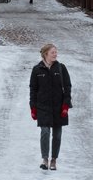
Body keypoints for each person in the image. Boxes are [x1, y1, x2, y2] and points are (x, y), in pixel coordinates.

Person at [29, 43, 72, 171]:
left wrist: (66, 105)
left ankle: (54, 159)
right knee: (45, 132)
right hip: (43, 107)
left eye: (56, 52)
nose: (55, 54)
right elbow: (33, 89)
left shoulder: (61, 68)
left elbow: (68, 87)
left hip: (59, 107)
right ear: (46, 54)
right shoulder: (37, 70)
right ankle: (44, 159)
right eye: (53, 52)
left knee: (57, 135)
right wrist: (33, 107)